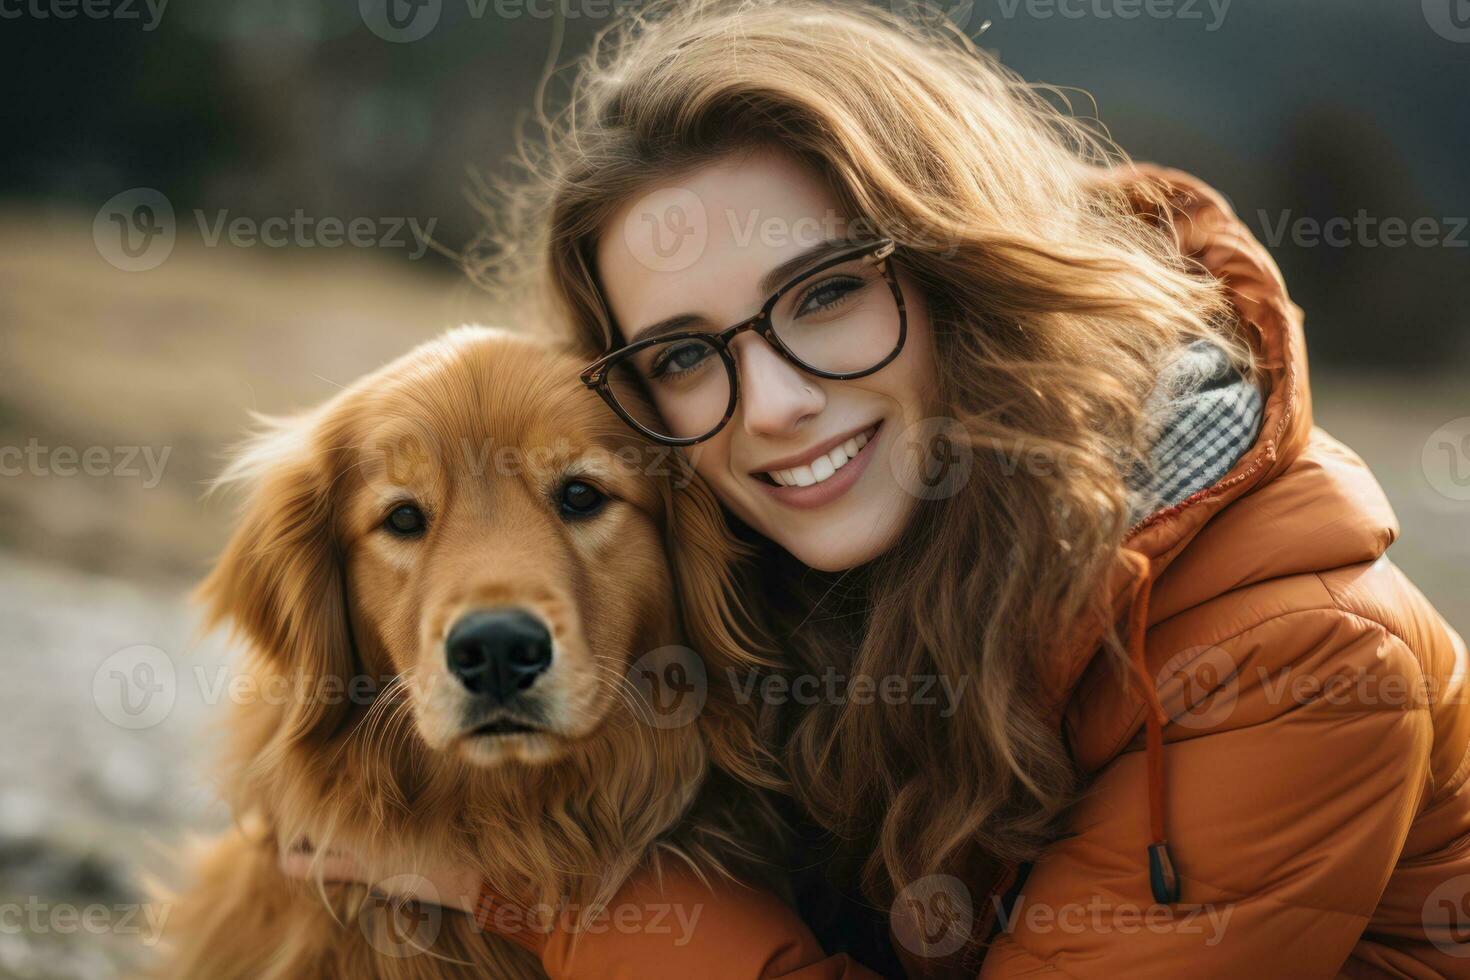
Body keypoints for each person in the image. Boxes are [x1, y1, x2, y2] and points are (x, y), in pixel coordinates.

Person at [285, 2, 1470, 975]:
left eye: (826, 292)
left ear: (962, 270)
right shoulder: (772, 548)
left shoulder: (1301, 660)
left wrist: (545, 898)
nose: (774, 404)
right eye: (686, 355)